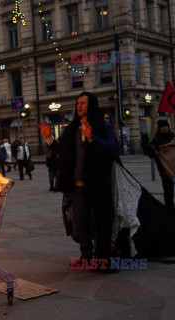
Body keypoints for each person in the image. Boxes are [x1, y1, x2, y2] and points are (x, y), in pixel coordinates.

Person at [39, 92, 116, 271]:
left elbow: (111, 149)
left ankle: (103, 258)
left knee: (100, 222)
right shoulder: (73, 128)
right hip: (77, 186)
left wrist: (91, 137)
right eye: (77, 103)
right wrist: (49, 138)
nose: (78, 106)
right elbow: (62, 154)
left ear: (92, 105)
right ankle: (86, 255)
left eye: (82, 103)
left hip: (97, 185)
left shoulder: (105, 127)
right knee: (80, 222)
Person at [148, 120, 175, 216]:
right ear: (159, 128)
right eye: (162, 127)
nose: (164, 128)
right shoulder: (156, 140)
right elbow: (151, 155)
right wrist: (149, 149)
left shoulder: (173, 137)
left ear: (168, 127)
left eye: (165, 126)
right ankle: (170, 214)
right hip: (165, 171)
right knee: (168, 194)